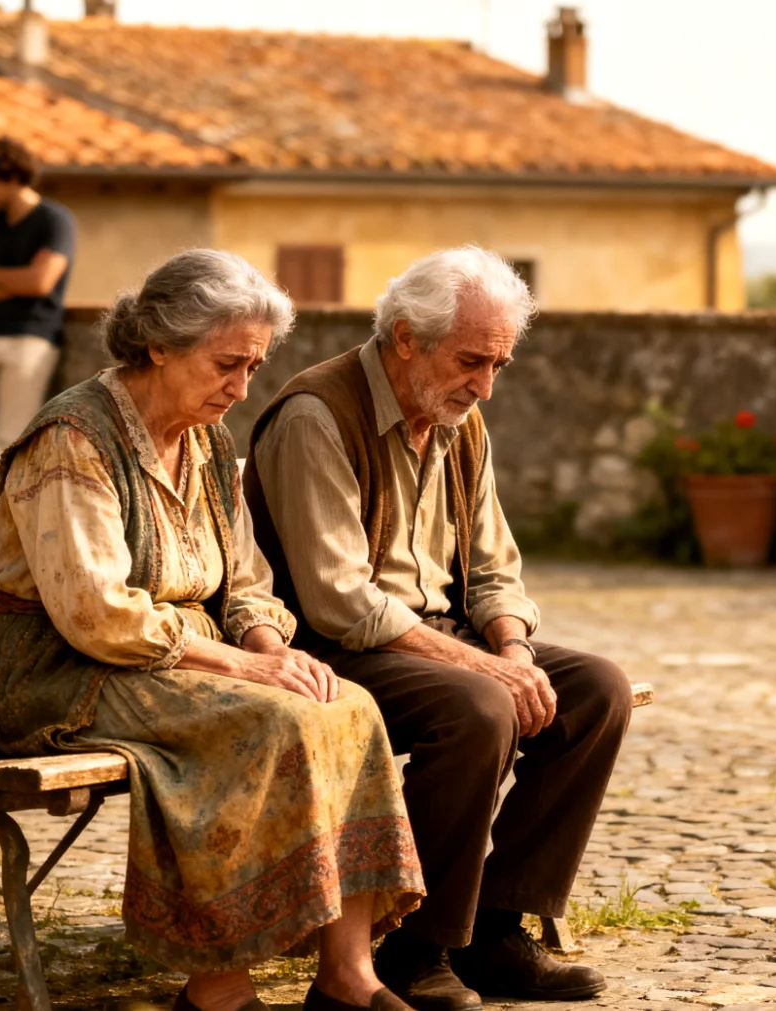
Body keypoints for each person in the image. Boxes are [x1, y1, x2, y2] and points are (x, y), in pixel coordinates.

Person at [0, 249, 422, 1011]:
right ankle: (216, 991)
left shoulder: (210, 443)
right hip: (58, 670)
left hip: (165, 658)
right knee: (262, 720)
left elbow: (243, 579)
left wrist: (270, 646)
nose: (242, 387)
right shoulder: (73, 438)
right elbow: (96, 614)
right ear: (159, 344)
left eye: (253, 366)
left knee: (347, 704)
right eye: (227, 364)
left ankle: (348, 977)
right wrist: (245, 672)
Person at [246, 246, 632, 1011]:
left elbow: (494, 566)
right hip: (329, 650)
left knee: (596, 691)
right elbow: (338, 602)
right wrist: (487, 671)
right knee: (477, 709)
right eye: (471, 361)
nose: (485, 384)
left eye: (499, 364)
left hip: (432, 633)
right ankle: (415, 945)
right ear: (404, 339)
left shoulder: (461, 419)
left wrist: (514, 649)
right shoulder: (315, 415)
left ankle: (494, 927)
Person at [0, 136, 77, 474]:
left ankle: (7, 504)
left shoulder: (55, 220)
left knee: (12, 434)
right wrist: (18, 280)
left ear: (12, 177)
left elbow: (41, 283)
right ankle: (7, 494)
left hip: (31, 337)